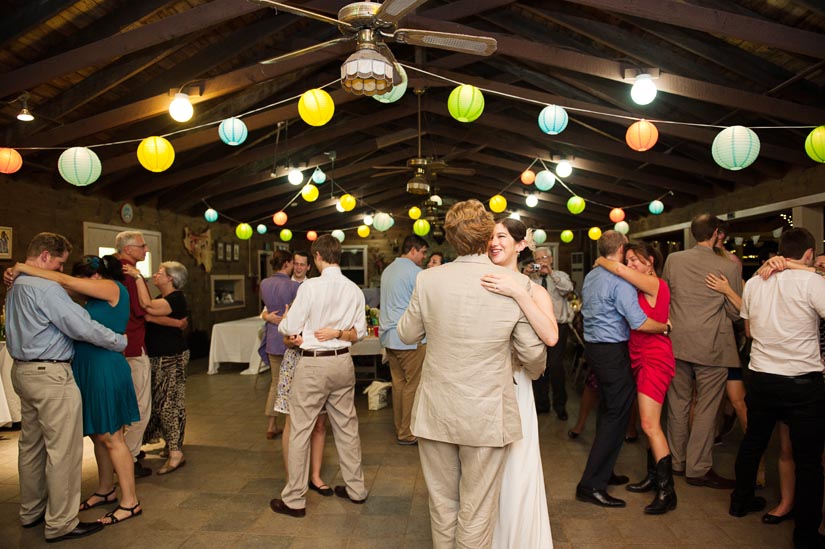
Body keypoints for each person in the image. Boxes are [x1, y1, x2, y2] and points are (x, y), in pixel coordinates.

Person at [397, 199, 546, 547]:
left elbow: (405, 334)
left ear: (451, 239)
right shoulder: (510, 283)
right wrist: (535, 372)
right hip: (486, 414)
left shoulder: (428, 280)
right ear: (485, 237)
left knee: (443, 506)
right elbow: (533, 353)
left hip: (436, 411)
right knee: (477, 512)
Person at [4, 233, 126, 542]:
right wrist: (118, 341)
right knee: (64, 451)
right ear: (45, 257)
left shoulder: (16, 284)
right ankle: (61, 523)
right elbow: (81, 326)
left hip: (22, 372)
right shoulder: (46, 287)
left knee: (31, 447)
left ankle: (31, 511)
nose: (61, 271)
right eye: (59, 263)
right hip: (50, 375)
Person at [730, 228, 825, 549]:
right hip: (801, 382)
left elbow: (750, 329)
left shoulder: (756, 282)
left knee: (753, 442)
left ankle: (740, 501)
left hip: (762, 376)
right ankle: (806, 536)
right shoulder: (813, 282)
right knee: (809, 462)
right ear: (809, 254)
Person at [271, 235, 368, 517]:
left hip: (314, 365)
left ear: (317, 257)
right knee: (347, 428)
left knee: (301, 429)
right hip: (343, 362)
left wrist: (290, 321)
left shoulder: (311, 287)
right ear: (338, 256)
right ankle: (356, 489)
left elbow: (289, 327)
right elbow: (359, 333)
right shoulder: (354, 289)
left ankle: (294, 500)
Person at [479, 218, 557, 548]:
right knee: (483, 471)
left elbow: (551, 336)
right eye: (490, 237)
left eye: (501, 237)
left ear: (520, 244)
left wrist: (518, 292)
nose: (494, 242)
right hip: (481, 385)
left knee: (517, 466)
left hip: (517, 384)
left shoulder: (535, 290)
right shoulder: (479, 282)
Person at [576, 231, 669, 508]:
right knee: (617, 414)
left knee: (608, 410)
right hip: (612, 350)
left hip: (593, 348)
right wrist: (666, 326)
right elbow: (639, 321)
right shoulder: (620, 280)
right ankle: (591, 485)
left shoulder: (593, 274)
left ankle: (604, 472)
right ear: (620, 250)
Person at [662, 213, 742, 489]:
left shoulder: (674, 260)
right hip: (712, 346)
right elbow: (735, 313)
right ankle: (698, 467)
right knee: (707, 408)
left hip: (677, 342)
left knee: (678, 404)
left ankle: (676, 461)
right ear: (716, 233)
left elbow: (665, 296)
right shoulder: (727, 268)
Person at [126, 261, 190, 476]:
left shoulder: (175, 298)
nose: (155, 274)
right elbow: (155, 314)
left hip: (171, 356)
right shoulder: (164, 299)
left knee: (170, 404)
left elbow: (146, 308)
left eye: (160, 273)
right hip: (158, 356)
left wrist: (137, 277)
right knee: (158, 402)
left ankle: (175, 453)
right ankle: (168, 443)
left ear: (170, 278)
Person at [380, 234, 428, 445]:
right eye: (423, 252)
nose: (424, 257)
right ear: (413, 250)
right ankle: (407, 432)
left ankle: (400, 427)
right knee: (413, 386)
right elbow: (424, 307)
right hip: (409, 338)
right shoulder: (416, 273)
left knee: (398, 384)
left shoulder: (388, 270)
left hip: (389, 338)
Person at [114, 230, 153, 478]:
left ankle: (127, 453)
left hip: (117, 345)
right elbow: (143, 308)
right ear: (128, 249)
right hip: (133, 343)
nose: (146, 249)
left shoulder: (112, 270)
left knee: (124, 406)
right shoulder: (129, 274)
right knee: (140, 406)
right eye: (142, 245)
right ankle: (128, 458)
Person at [259, 250, 299, 439]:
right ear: (286, 264)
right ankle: (293, 422)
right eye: (292, 263)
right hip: (289, 339)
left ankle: (271, 424)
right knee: (295, 382)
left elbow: (266, 310)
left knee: (275, 382)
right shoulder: (293, 286)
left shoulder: (264, 284)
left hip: (272, 338)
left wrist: (268, 317)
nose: (294, 267)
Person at [531, 246, 574, 419]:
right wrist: (526, 274)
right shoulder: (530, 277)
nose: (541, 262)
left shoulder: (560, 275)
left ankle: (560, 405)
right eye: (537, 259)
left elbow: (568, 289)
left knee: (555, 366)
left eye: (544, 258)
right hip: (536, 326)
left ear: (551, 259)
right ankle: (542, 404)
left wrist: (551, 273)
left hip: (558, 326)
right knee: (539, 365)